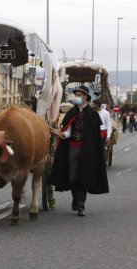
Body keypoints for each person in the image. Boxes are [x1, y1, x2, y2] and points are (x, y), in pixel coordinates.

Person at [50, 85, 109, 216]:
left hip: (87, 151)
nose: (78, 97)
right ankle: (75, 198)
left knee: (84, 177)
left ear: (86, 97)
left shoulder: (93, 115)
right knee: (72, 177)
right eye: (76, 94)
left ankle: (81, 205)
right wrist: (61, 134)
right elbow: (68, 132)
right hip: (72, 147)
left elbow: (95, 137)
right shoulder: (71, 113)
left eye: (80, 94)